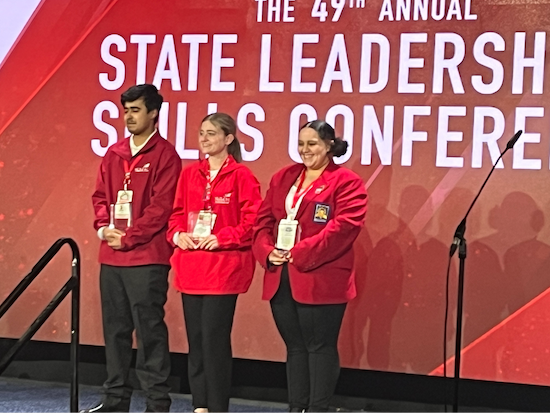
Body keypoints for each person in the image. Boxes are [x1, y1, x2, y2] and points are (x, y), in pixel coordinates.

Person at [253, 120, 368, 413]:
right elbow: (263, 222)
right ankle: (296, 407)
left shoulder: (347, 182)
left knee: (319, 347)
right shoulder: (284, 177)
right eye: (301, 144)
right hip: (282, 276)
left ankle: (317, 409)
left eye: (312, 144)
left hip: (321, 277)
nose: (305, 150)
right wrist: (267, 251)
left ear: (329, 145)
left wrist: (299, 252)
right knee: (295, 347)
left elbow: (343, 228)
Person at [84, 84, 181, 413]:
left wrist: (129, 236)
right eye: (126, 110)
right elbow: (100, 197)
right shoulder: (114, 153)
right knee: (115, 332)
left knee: (150, 332)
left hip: (147, 259)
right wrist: (102, 227)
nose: (128, 116)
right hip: (111, 258)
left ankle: (156, 402)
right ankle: (115, 401)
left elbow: (160, 208)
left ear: (153, 113)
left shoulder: (166, 156)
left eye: (135, 110)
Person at [167, 113, 262, 413]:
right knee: (196, 343)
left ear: (229, 139)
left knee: (214, 341)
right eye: (201, 132)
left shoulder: (242, 176)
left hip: (223, 270)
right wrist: (177, 235)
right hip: (191, 267)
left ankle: (218, 406)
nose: (204, 138)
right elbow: (175, 215)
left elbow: (253, 222)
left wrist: (223, 237)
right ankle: (200, 405)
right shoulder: (189, 174)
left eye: (211, 133)